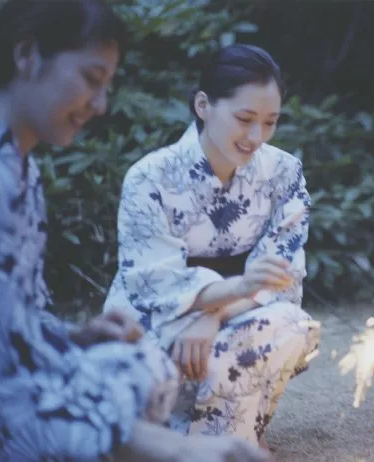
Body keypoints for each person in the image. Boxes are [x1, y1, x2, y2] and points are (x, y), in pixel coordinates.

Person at [0, 1, 268, 461]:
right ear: (26, 55)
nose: (100, 105)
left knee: (144, 366)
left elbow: (14, 318)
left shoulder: (20, 169)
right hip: (1, 397)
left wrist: (78, 337)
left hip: (23, 371)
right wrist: (167, 446)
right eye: (92, 80)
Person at [103, 43, 320, 448]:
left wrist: (215, 311)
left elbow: (282, 280)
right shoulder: (149, 177)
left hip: (236, 316)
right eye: (244, 119)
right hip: (158, 321)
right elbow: (152, 285)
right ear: (203, 105)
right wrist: (211, 301)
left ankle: (225, 443)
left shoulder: (283, 172)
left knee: (290, 323)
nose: (257, 137)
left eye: (270, 122)